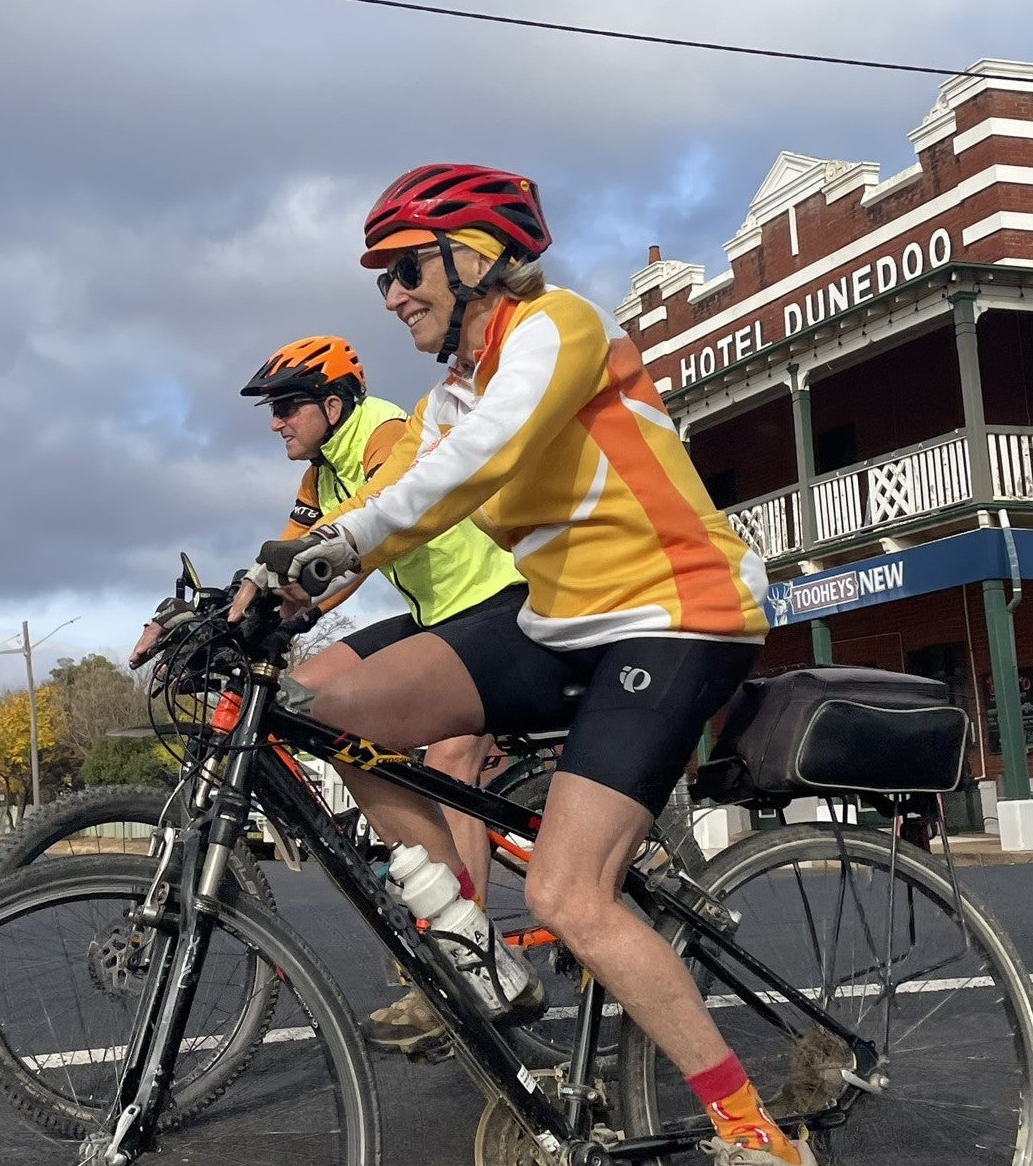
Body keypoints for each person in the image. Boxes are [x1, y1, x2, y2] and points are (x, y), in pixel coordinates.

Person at [247, 164, 812, 1166]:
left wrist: (332, 554)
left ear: (478, 257)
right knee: (328, 705)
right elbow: (397, 488)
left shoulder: (560, 328)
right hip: (562, 615)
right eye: (380, 277)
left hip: (676, 611)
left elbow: (484, 464)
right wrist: (261, 590)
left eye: (406, 268)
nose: (391, 295)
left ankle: (755, 1133)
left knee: (567, 895)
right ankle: (475, 955)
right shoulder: (449, 397)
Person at [138, 334, 532, 1050]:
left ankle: (473, 957)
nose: (275, 422)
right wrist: (222, 616)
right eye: (272, 409)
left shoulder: (382, 429)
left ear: (331, 402)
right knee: (304, 699)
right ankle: (400, 845)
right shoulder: (320, 473)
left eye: (287, 406)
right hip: (432, 613)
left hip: (495, 603)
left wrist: (302, 593)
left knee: (448, 764)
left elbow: (366, 531)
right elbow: (295, 548)